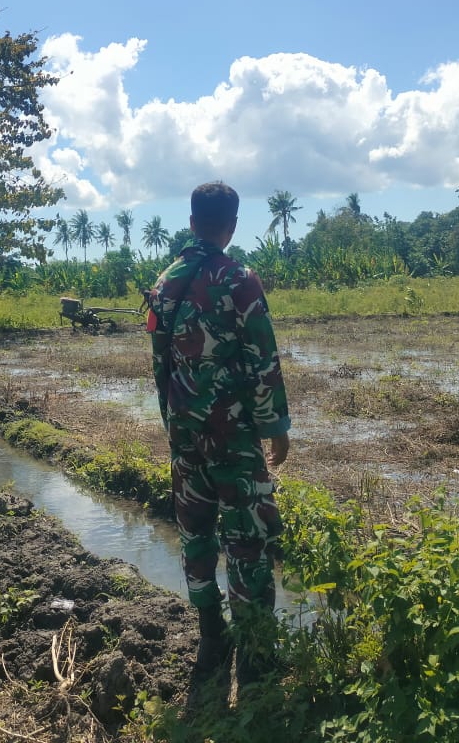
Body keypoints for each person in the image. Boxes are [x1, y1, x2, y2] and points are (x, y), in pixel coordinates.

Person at [147, 181, 290, 693]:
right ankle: (254, 656)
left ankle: (212, 638)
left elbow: (160, 365)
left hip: (186, 437)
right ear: (231, 226)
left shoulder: (164, 284)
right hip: (234, 438)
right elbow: (262, 360)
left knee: (196, 536)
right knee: (248, 541)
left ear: (191, 223)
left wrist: (174, 423)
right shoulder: (239, 279)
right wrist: (275, 427)